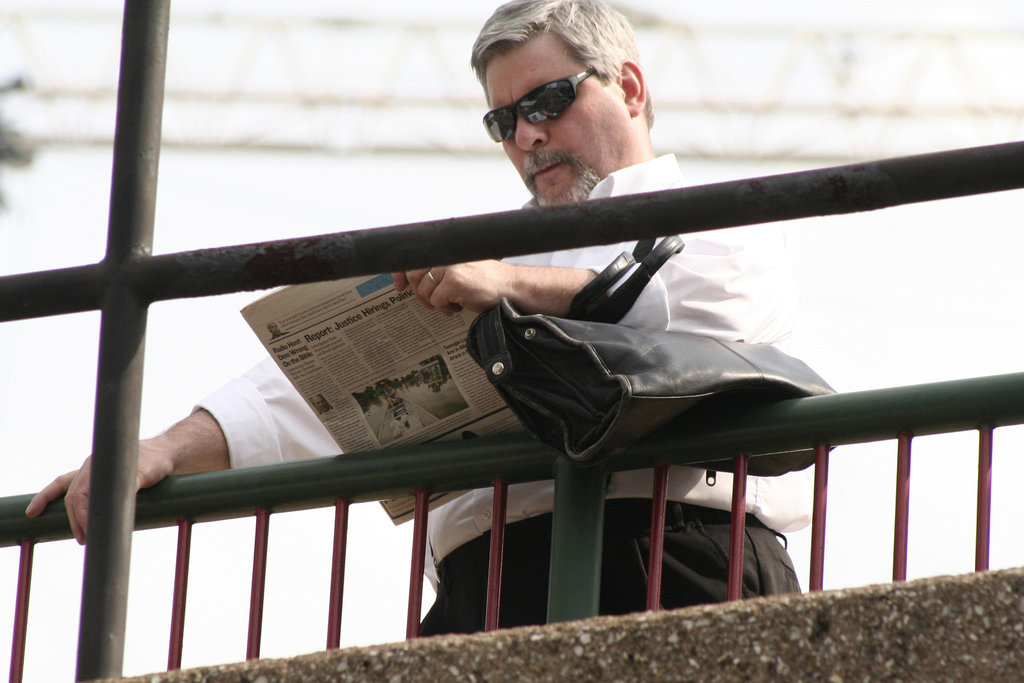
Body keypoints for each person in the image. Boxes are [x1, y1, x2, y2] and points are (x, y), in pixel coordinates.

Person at [27, 0, 809, 635]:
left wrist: (503, 286)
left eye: (547, 100)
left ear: (630, 88)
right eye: (503, 122)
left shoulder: (720, 220)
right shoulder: (485, 263)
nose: (529, 136)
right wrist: (158, 447)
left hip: (673, 561)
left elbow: (702, 309)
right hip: (484, 590)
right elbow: (299, 393)